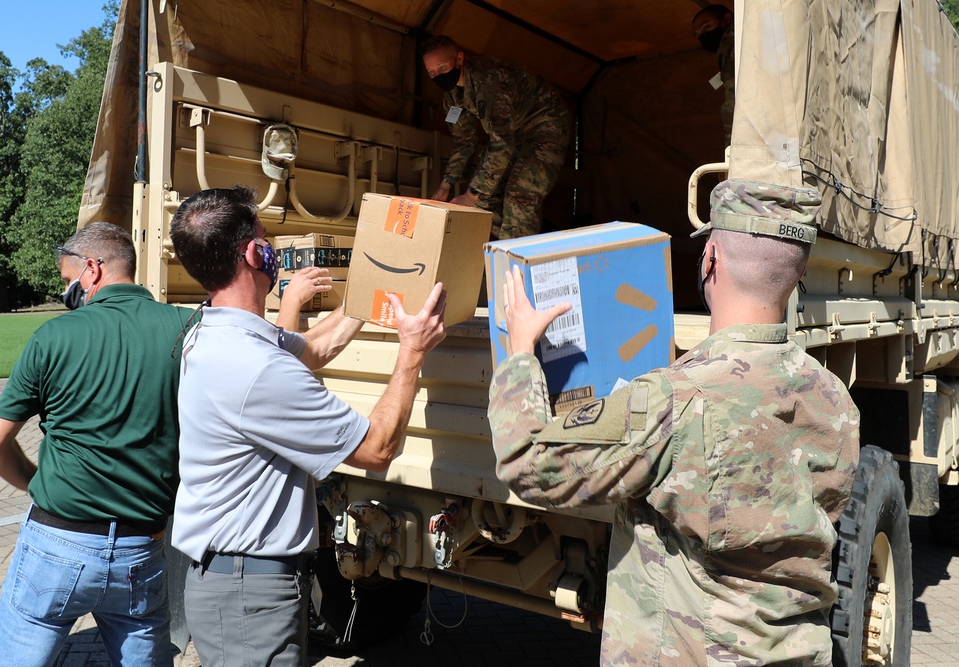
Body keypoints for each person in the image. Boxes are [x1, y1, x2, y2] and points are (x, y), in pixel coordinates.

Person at [487, 179, 860, 665]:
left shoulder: (674, 401)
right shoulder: (835, 401)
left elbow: (527, 464)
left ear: (710, 260)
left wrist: (518, 355)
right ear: (801, 270)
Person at [167, 185, 447, 667]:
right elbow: (377, 448)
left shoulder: (215, 331)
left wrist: (375, 285)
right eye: (265, 240)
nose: (271, 249)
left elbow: (313, 346)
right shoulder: (257, 368)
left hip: (234, 581)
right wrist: (412, 351)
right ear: (254, 254)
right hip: (248, 592)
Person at [0, 222, 195, 667]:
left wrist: (39, 483)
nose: (68, 290)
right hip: (141, 547)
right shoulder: (187, 329)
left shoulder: (54, 336)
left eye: (66, 279)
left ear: (91, 268)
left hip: (57, 539)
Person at [422, 34, 571, 240]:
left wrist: (472, 194)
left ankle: (515, 266)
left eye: (442, 68)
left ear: (459, 58)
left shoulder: (489, 81)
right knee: (484, 199)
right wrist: (446, 184)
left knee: (520, 196)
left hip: (545, 125)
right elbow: (464, 141)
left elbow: (502, 142)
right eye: (431, 72)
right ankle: (497, 255)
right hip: (513, 132)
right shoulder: (452, 95)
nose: (437, 75)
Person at [692, 4, 735, 145]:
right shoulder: (725, 50)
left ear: (727, 19)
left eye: (706, 27)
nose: (702, 36)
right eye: (698, 35)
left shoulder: (738, 37)